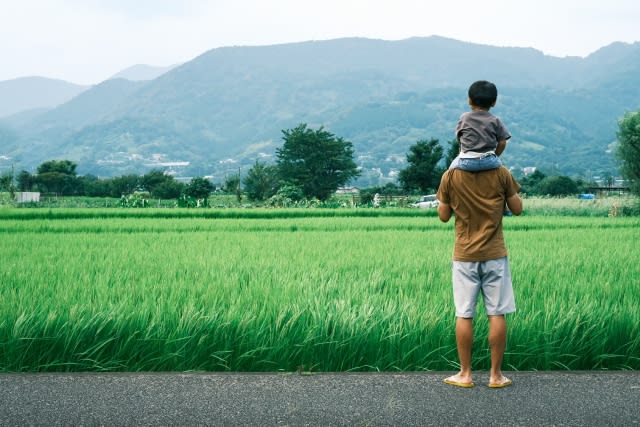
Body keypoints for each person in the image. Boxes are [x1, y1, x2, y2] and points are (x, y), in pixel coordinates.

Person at [436, 160, 523, 388]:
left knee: (464, 313)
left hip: (464, 255)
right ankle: (496, 376)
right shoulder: (502, 172)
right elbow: (517, 209)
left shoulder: (451, 175)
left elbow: (443, 216)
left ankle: (465, 374)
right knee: (497, 313)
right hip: (495, 254)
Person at [449, 80, 510, 172]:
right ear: (494, 102)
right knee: (506, 174)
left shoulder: (464, 118)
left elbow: (459, 138)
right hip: (489, 162)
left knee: (449, 173)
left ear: (469, 100)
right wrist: (495, 156)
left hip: (467, 162)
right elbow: (502, 142)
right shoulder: (495, 120)